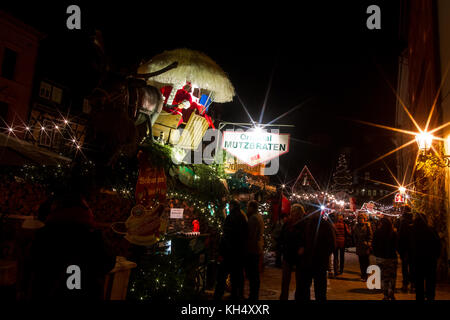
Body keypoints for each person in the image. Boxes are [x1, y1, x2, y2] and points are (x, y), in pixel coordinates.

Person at [29, 176, 116, 299]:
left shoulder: (44, 234)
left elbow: (33, 263)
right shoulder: (93, 237)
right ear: (84, 211)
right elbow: (108, 264)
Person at [296, 210, 336, 301]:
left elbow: (331, 245)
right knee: (314, 290)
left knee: (316, 290)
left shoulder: (323, 225)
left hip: (314, 262)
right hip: (311, 262)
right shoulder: (306, 224)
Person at [214, 200, 248, 300]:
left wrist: (222, 251)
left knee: (222, 276)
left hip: (229, 252)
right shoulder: (242, 217)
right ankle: (236, 294)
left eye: (229, 206)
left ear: (232, 206)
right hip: (239, 252)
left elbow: (226, 236)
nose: (228, 208)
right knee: (237, 275)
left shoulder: (230, 217)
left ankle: (218, 295)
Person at [410, 213, 441, 301]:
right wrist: (436, 256)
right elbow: (438, 244)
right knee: (430, 282)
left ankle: (420, 297)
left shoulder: (413, 231)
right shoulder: (431, 230)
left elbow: (410, 246)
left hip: (417, 261)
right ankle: (430, 297)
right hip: (430, 260)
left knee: (419, 283)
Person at [279, 204, 305, 300]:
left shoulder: (303, 224)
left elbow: (305, 238)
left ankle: (298, 297)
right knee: (285, 280)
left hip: (299, 257)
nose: (293, 214)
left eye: (295, 212)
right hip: (288, 255)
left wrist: (303, 247)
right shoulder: (287, 224)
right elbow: (282, 237)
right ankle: (283, 297)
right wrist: (282, 248)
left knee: (299, 281)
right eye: (292, 212)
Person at [372, 217, 398, 300]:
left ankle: (386, 294)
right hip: (392, 258)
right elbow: (397, 245)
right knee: (392, 276)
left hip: (381, 258)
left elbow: (374, 245)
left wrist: (376, 254)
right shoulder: (393, 233)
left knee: (383, 277)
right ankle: (391, 291)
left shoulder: (377, 233)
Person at [245, 200, 264, 300]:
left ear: (252, 207)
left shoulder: (253, 218)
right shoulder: (259, 217)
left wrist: (247, 248)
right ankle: (254, 294)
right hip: (258, 247)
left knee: (253, 274)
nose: (247, 209)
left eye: (248, 207)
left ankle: (253, 295)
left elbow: (251, 235)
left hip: (253, 249)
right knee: (255, 273)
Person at [398, 207, 415, 293]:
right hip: (413, 250)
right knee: (413, 267)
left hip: (405, 250)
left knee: (405, 268)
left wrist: (400, 250)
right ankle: (413, 284)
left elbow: (401, 237)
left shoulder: (403, 222)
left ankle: (405, 284)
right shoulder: (414, 221)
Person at [353, 213, 373, 281]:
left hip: (366, 246)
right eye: (359, 218)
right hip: (359, 246)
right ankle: (363, 275)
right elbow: (354, 236)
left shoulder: (367, 226)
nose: (361, 220)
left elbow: (370, 236)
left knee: (366, 261)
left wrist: (368, 243)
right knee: (361, 262)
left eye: (362, 219)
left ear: (364, 219)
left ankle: (366, 275)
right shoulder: (356, 226)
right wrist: (356, 242)